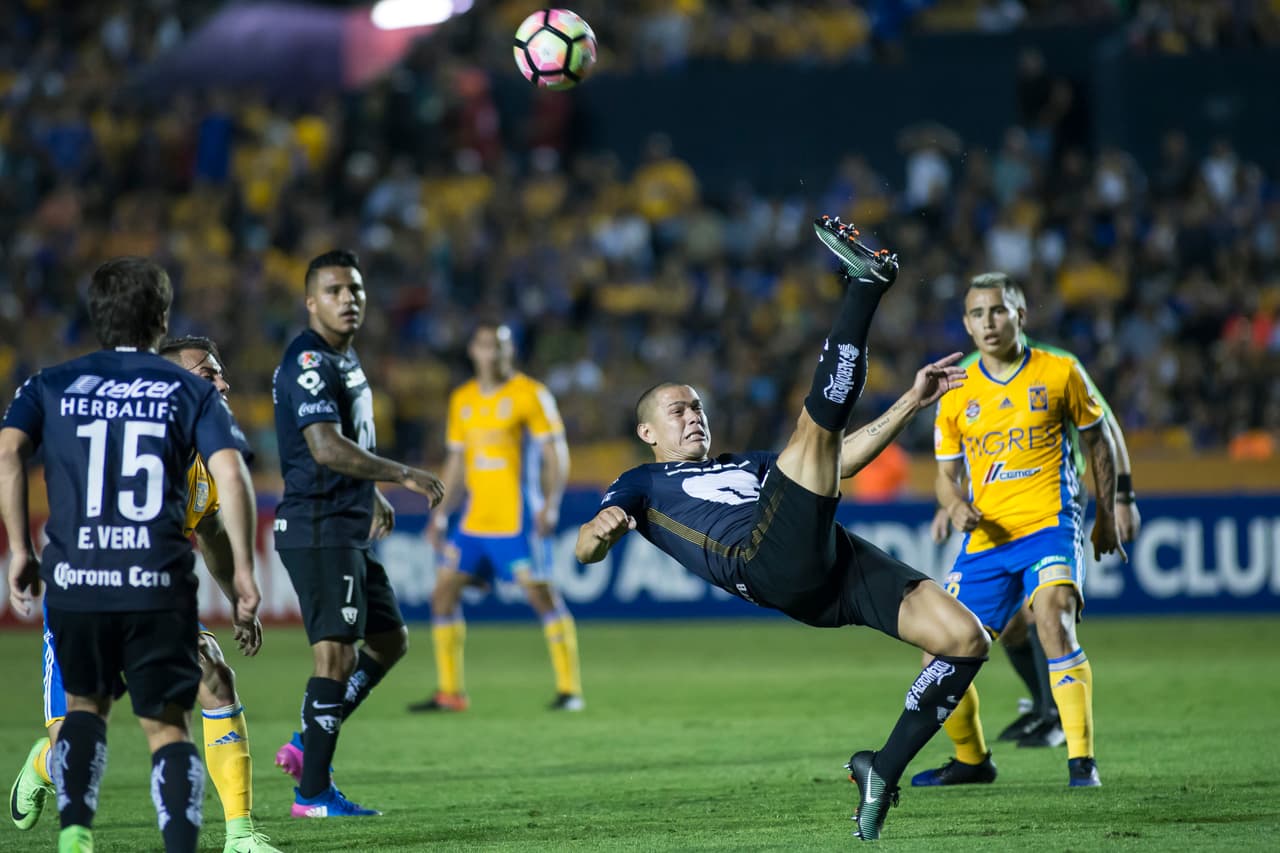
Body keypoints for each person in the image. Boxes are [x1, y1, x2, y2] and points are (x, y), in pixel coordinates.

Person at [575, 217, 991, 841]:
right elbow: (583, 551)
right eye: (677, 410)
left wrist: (909, 402)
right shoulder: (642, 482)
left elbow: (837, 458)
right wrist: (601, 534)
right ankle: (865, 289)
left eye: (697, 407)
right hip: (762, 562)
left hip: (827, 564)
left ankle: (881, 768)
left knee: (965, 637)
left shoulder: (750, 464)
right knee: (810, 437)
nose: (693, 417)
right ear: (648, 433)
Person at [1, 257, 261, 853]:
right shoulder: (185, 399)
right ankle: (46, 765)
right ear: (160, 327)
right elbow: (236, 476)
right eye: (208, 371)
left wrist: (20, 547)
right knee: (157, 728)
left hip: (84, 580)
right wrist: (248, 575)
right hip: (142, 582)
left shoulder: (51, 383)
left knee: (210, 679)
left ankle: (240, 833)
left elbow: (8, 450)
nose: (219, 383)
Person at [913, 272, 1125, 791]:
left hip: (1049, 524)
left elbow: (1099, 441)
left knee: (1052, 619)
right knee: (938, 652)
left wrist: (1108, 511)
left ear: (1019, 315)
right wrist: (954, 503)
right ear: (965, 323)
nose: (989, 322)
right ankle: (972, 761)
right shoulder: (956, 387)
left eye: (998, 311)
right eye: (977, 314)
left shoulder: (1060, 371)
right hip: (986, 539)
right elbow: (944, 475)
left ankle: (1082, 764)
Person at [271, 249, 444, 818]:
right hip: (318, 526)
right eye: (335, 291)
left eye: (356, 291)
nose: (349, 300)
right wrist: (400, 474)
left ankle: (306, 742)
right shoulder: (310, 362)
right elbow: (321, 445)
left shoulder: (345, 358)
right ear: (311, 301)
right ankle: (313, 794)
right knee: (334, 658)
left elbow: (339, 443)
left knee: (390, 641)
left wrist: (369, 494)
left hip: (345, 523)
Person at [410, 322, 582, 713]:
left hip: (516, 519)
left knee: (540, 595)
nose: (494, 353)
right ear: (474, 350)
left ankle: (569, 690)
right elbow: (457, 462)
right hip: (473, 522)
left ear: (511, 351)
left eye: (501, 346)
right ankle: (451, 692)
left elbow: (557, 453)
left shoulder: (530, 395)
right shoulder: (463, 399)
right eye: (487, 345)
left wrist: (551, 503)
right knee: (442, 594)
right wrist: (440, 515)